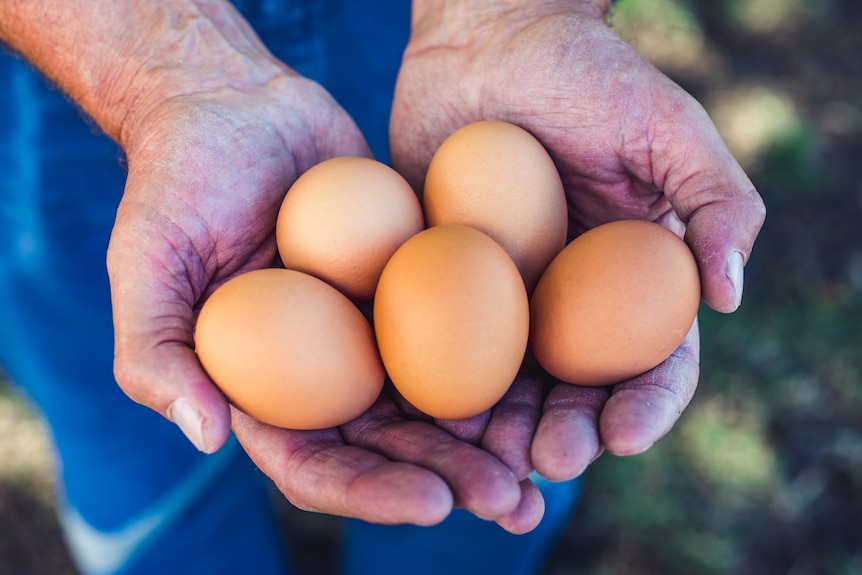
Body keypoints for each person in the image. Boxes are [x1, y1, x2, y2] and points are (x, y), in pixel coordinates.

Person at [0, 1, 766, 574]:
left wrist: (517, 14)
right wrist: (163, 77)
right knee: (141, 437)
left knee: (484, 489)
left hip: (420, 33)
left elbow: (464, 289)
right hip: (96, 39)